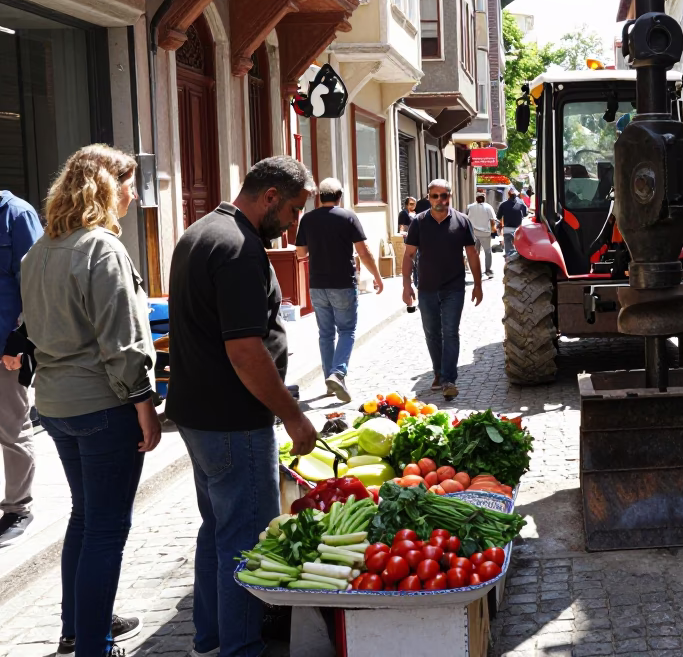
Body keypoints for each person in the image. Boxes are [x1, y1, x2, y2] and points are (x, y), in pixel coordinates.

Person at [166, 156, 320, 657]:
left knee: (218, 530)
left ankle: (209, 641)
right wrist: (292, 416)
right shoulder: (239, 249)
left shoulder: (200, 232)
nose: (294, 224)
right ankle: (239, 648)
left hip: (199, 416)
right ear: (270, 196)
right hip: (233, 421)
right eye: (293, 210)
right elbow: (245, 350)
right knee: (244, 541)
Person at [21, 145, 158, 657]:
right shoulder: (101, 247)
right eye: (130, 184)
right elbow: (121, 340)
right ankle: (93, 645)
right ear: (108, 185)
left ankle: (78, 628)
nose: (134, 195)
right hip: (102, 404)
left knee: (85, 517)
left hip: (57, 404)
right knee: (105, 527)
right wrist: (144, 401)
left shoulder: (41, 250)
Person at [294, 178, 383, 403]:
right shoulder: (348, 217)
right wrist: (377, 276)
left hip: (317, 284)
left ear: (318, 197)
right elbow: (363, 251)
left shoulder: (308, 219)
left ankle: (330, 382)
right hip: (342, 283)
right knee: (346, 330)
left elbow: (300, 254)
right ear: (339, 196)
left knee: (325, 333)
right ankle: (338, 373)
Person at [402, 179, 482, 401]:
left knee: (450, 332)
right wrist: (406, 284)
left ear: (450, 196)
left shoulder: (462, 221)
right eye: (435, 196)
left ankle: (449, 379)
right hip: (426, 288)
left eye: (444, 196)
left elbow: (472, 254)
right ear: (428, 197)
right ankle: (438, 372)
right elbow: (408, 255)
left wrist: (478, 284)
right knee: (432, 333)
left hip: (454, 288)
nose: (439, 200)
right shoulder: (418, 222)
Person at [0, 190, 40, 546]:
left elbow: (35, 282)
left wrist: (20, 342)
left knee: (12, 428)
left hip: (5, 347)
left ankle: (17, 509)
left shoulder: (16, 213)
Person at [465, 193, 499, 278]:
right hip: (485, 234)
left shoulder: (470, 207)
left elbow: (466, 219)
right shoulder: (488, 207)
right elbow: (492, 220)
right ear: (484, 199)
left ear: (476, 199)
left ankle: (475, 270)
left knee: (475, 253)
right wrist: (494, 231)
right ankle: (488, 271)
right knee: (487, 252)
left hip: (474, 233)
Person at [497, 187, 528, 258]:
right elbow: (526, 214)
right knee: (518, 249)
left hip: (507, 229)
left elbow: (498, 216)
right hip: (518, 230)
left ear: (508, 195)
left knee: (508, 250)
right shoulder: (520, 204)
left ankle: (509, 261)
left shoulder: (503, 204)